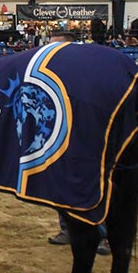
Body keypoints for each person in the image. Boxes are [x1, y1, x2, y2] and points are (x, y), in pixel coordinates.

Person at [46, 32, 110, 255]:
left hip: (90, 135)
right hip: (64, 135)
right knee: (61, 182)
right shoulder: (51, 76)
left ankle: (104, 234)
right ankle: (68, 228)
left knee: (98, 183)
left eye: (56, 48)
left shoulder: (89, 73)